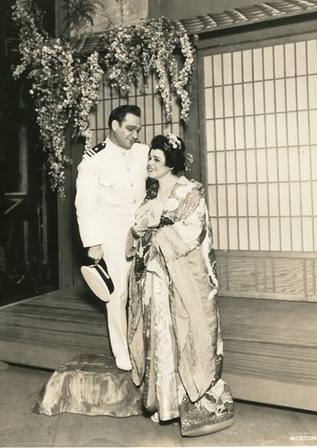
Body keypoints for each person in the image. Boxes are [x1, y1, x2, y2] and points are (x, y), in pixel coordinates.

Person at [127, 133, 234, 437]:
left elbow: (193, 231)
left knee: (183, 334)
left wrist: (156, 233)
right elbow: (138, 229)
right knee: (159, 334)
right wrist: (138, 232)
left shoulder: (190, 193)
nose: (149, 163)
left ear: (170, 164)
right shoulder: (150, 194)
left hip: (181, 277)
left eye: (156, 159)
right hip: (153, 277)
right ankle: (165, 403)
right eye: (150, 157)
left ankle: (187, 401)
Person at [75, 105, 149, 371]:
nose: (134, 134)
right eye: (130, 129)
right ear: (114, 126)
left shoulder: (143, 152)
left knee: (146, 291)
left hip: (142, 235)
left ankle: (144, 345)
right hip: (113, 239)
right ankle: (122, 352)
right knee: (118, 295)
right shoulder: (94, 160)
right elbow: (84, 204)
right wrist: (93, 243)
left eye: (137, 129)